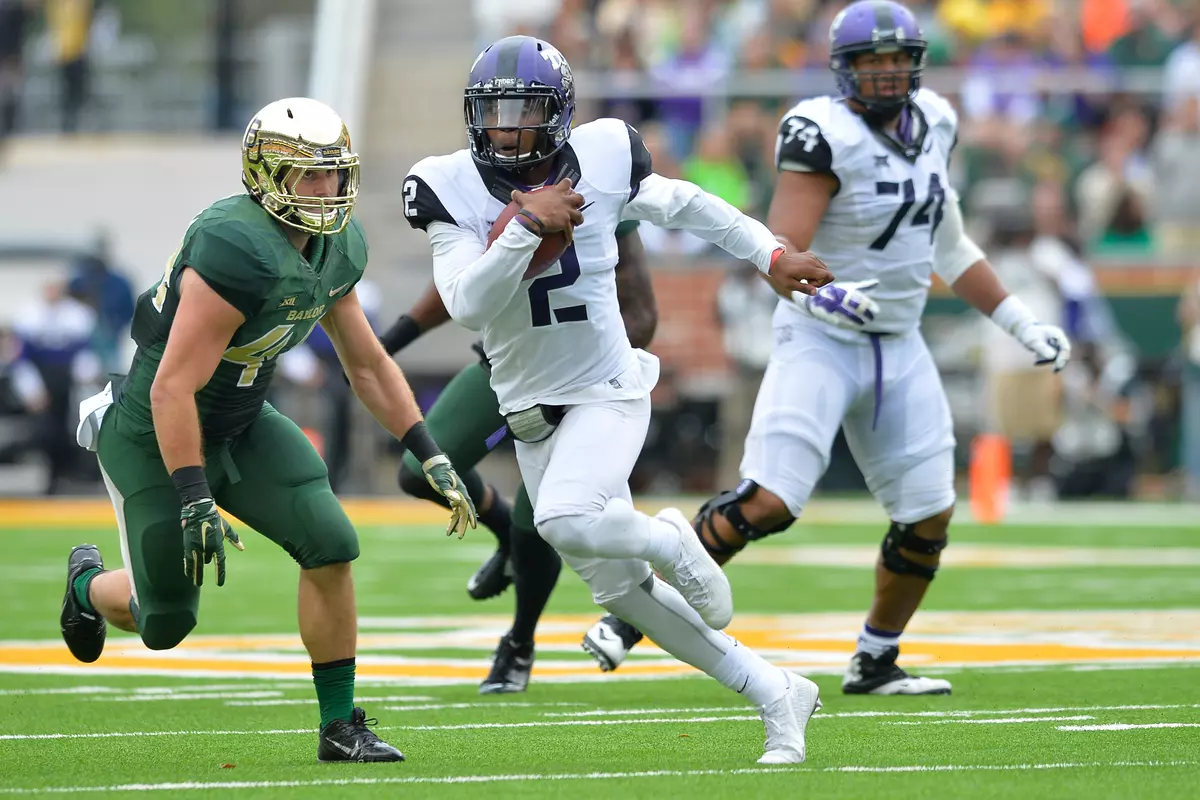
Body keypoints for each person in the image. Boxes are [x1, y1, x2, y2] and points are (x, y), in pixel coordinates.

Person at [579, 0, 1072, 697]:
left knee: (928, 511)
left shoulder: (937, 119)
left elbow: (951, 246)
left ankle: (876, 658)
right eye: (871, 63)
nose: (886, 74)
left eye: (898, 60)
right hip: (822, 335)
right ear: (844, 70)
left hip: (899, 342)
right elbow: (783, 252)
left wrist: (1020, 322)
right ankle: (631, 616)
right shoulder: (821, 130)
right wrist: (831, 294)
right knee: (769, 501)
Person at [403, 35, 832, 764]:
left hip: (606, 389)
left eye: (526, 112)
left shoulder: (602, 156)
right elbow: (466, 303)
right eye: (497, 113)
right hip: (531, 415)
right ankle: (776, 692)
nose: (509, 130)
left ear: (560, 114)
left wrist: (770, 253)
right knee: (624, 595)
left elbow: (685, 204)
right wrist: (521, 231)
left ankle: (670, 536)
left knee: (566, 519)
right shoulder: (447, 184)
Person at [58, 97, 476, 763]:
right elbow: (172, 387)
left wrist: (428, 449)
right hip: (153, 429)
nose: (328, 189)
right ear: (268, 176)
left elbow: (366, 363)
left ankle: (340, 726)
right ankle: (86, 587)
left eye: (335, 174)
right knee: (165, 622)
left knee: (331, 541)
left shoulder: (337, 247)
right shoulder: (235, 247)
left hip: (245, 423)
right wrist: (194, 494)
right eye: (310, 175)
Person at [379, 219, 653, 694]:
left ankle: (519, 643)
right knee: (418, 472)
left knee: (540, 523)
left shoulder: (599, 176)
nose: (502, 140)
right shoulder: (476, 182)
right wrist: (385, 348)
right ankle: (502, 531)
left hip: (579, 386)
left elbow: (642, 314)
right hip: (504, 367)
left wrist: (585, 370)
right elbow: (459, 288)